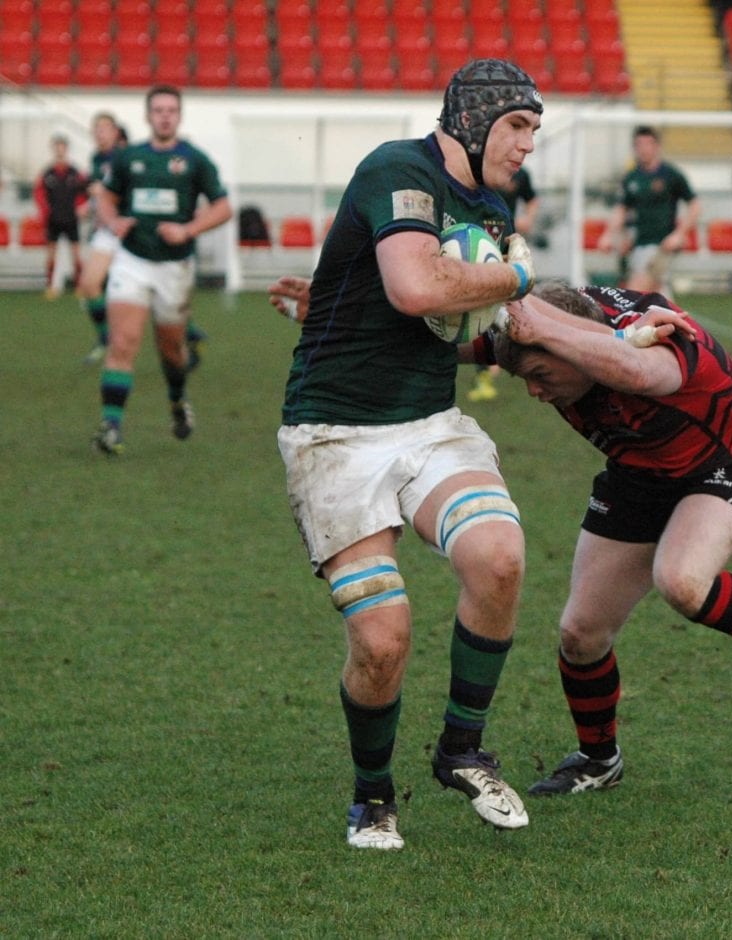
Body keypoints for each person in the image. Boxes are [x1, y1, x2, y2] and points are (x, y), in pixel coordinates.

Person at [271, 58, 544, 851]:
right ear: (472, 118)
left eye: (535, 129)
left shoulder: (490, 208)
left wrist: (584, 337)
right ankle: (372, 796)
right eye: (517, 125)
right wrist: (516, 276)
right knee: (383, 638)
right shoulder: (399, 168)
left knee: (499, 557)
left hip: (428, 421)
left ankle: (462, 750)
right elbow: (418, 291)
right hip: (334, 432)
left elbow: (466, 320)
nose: (528, 144)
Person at [486, 281, 732, 797]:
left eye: (541, 375)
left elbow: (638, 373)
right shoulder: (548, 329)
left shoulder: (662, 342)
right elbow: (458, 334)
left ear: (569, 349)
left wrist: (538, 326)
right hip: (642, 472)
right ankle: (599, 760)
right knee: (580, 633)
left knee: (682, 580)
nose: (534, 391)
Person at [92, 85, 232, 455]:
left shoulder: (195, 160)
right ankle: (111, 427)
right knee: (122, 343)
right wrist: (112, 221)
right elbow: (106, 197)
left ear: (179, 116)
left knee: (171, 352)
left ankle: (177, 400)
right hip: (132, 260)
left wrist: (188, 229)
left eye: (171, 110)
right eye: (158, 110)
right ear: (148, 115)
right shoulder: (129, 158)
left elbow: (223, 207)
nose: (165, 115)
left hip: (175, 268)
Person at [596, 125, 701, 294]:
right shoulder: (632, 177)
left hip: (662, 246)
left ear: (657, 146)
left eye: (648, 144)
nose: (644, 149)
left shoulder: (670, 174)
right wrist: (609, 234)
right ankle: (672, 319)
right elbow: (621, 209)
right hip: (640, 245)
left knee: (634, 293)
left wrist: (680, 234)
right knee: (656, 295)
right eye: (639, 145)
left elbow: (695, 205)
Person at [468, 166, 541, 403]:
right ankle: (487, 371)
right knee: (479, 306)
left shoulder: (520, 174)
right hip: (479, 243)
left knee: (504, 305)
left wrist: (527, 220)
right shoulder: (475, 172)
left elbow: (532, 200)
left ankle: (507, 361)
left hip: (507, 242)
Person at [77, 114, 126, 363]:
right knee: (89, 284)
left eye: (105, 128)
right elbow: (101, 193)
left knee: (153, 292)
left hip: (127, 231)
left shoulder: (125, 157)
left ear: (116, 132)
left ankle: (188, 333)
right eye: (96, 129)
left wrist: (103, 193)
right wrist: (90, 204)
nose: (100, 133)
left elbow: (127, 192)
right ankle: (105, 338)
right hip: (106, 231)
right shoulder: (96, 158)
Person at [33, 133, 88, 300]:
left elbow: (84, 192)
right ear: (53, 149)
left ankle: (79, 286)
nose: (60, 150)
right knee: (51, 254)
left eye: (62, 147)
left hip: (71, 218)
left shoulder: (75, 172)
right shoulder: (47, 173)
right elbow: (39, 193)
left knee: (76, 253)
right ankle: (50, 286)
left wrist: (81, 207)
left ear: (66, 149)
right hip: (53, 220)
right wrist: (44, 212)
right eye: (57, 147)